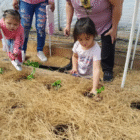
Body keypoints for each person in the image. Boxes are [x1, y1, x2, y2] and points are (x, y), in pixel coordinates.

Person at [61, 0, 124, 82]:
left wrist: (114, 27)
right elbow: (69, 4)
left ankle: (107, 70)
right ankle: (74, 65)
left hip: (104, 23)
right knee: (79, 44)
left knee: (108, 43)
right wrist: (68, 24)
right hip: (84, 23)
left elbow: (118, 4)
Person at [70, 17, 102, 101]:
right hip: (79, 76)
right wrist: (74, 67)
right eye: (80, 39)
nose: (84, 42)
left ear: (93, 34)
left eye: (87, 39)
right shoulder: (77, 45)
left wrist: (94, 88)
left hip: (90, 78)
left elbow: (96, 68)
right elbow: (75, 56)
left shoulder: (96, 49)